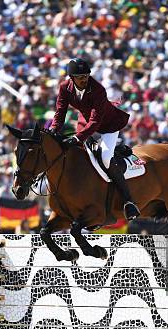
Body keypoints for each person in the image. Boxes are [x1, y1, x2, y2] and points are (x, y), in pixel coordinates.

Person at [49, 58, 140, 220]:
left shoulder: (97, 89)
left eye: (86, 75)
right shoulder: (64, 88)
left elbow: (95, 122)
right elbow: (60, 111)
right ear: (71, 78)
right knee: (75, 156)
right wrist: (54, 130)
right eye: (80, 76)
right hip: (85, 123)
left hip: (108, 125)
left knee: (105, 158)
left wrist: (78, 137)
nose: (84, 79)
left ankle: (128, 201)